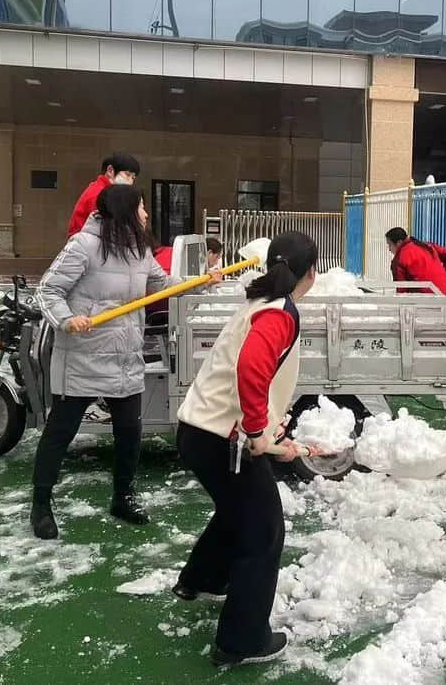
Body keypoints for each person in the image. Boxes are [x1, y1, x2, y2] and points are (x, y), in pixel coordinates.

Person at [32, 184, 220, 540]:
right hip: (83, 356)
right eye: (141, 207)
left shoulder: (138, 250)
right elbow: (48, 290)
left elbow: (163, 285)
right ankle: (40, 504)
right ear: (124, 211)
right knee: (60, 434)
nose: (146, 214)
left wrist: (202, 282)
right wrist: (66, 319)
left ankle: (122, 497)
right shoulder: (83, 246)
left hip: (125, 357)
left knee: (129, 435)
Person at [172, 232, 319, 669]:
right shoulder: (280, 313)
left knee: (238, 511)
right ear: (311, 273)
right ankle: (242, 640)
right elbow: (252, 367)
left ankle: (201, 579)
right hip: (225, 441)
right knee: (264, 531)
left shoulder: (260, 304)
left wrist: (273, 431)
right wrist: (258, 432)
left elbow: (260, 377)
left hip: (199, 433)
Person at [67, 153, 140, 237]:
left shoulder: (100, 189)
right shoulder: (99, 195)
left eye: (133, 178)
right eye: (127, 175)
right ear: (110, 170)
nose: (130, 181)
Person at [385, 227, 446, 294]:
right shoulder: (427, 246)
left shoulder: (399, 259)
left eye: (389, 245)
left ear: (399, 242)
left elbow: (401, 290)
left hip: (428, 300)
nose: (389, 249)